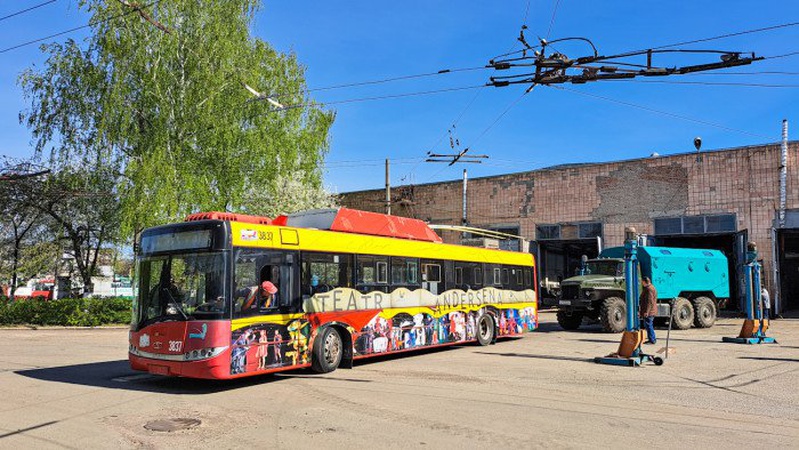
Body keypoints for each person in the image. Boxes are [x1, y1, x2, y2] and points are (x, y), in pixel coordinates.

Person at [639, 277, 658, 344]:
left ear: (644, 282)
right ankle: (652, 339)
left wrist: (647, 311)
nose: (642, 283)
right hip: (651, 310)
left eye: (642, 282)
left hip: (650, 311)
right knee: (648, 325)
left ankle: (652, 340)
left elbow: (649, 301)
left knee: (648, 325)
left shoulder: (649, 289)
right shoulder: (651, 288)